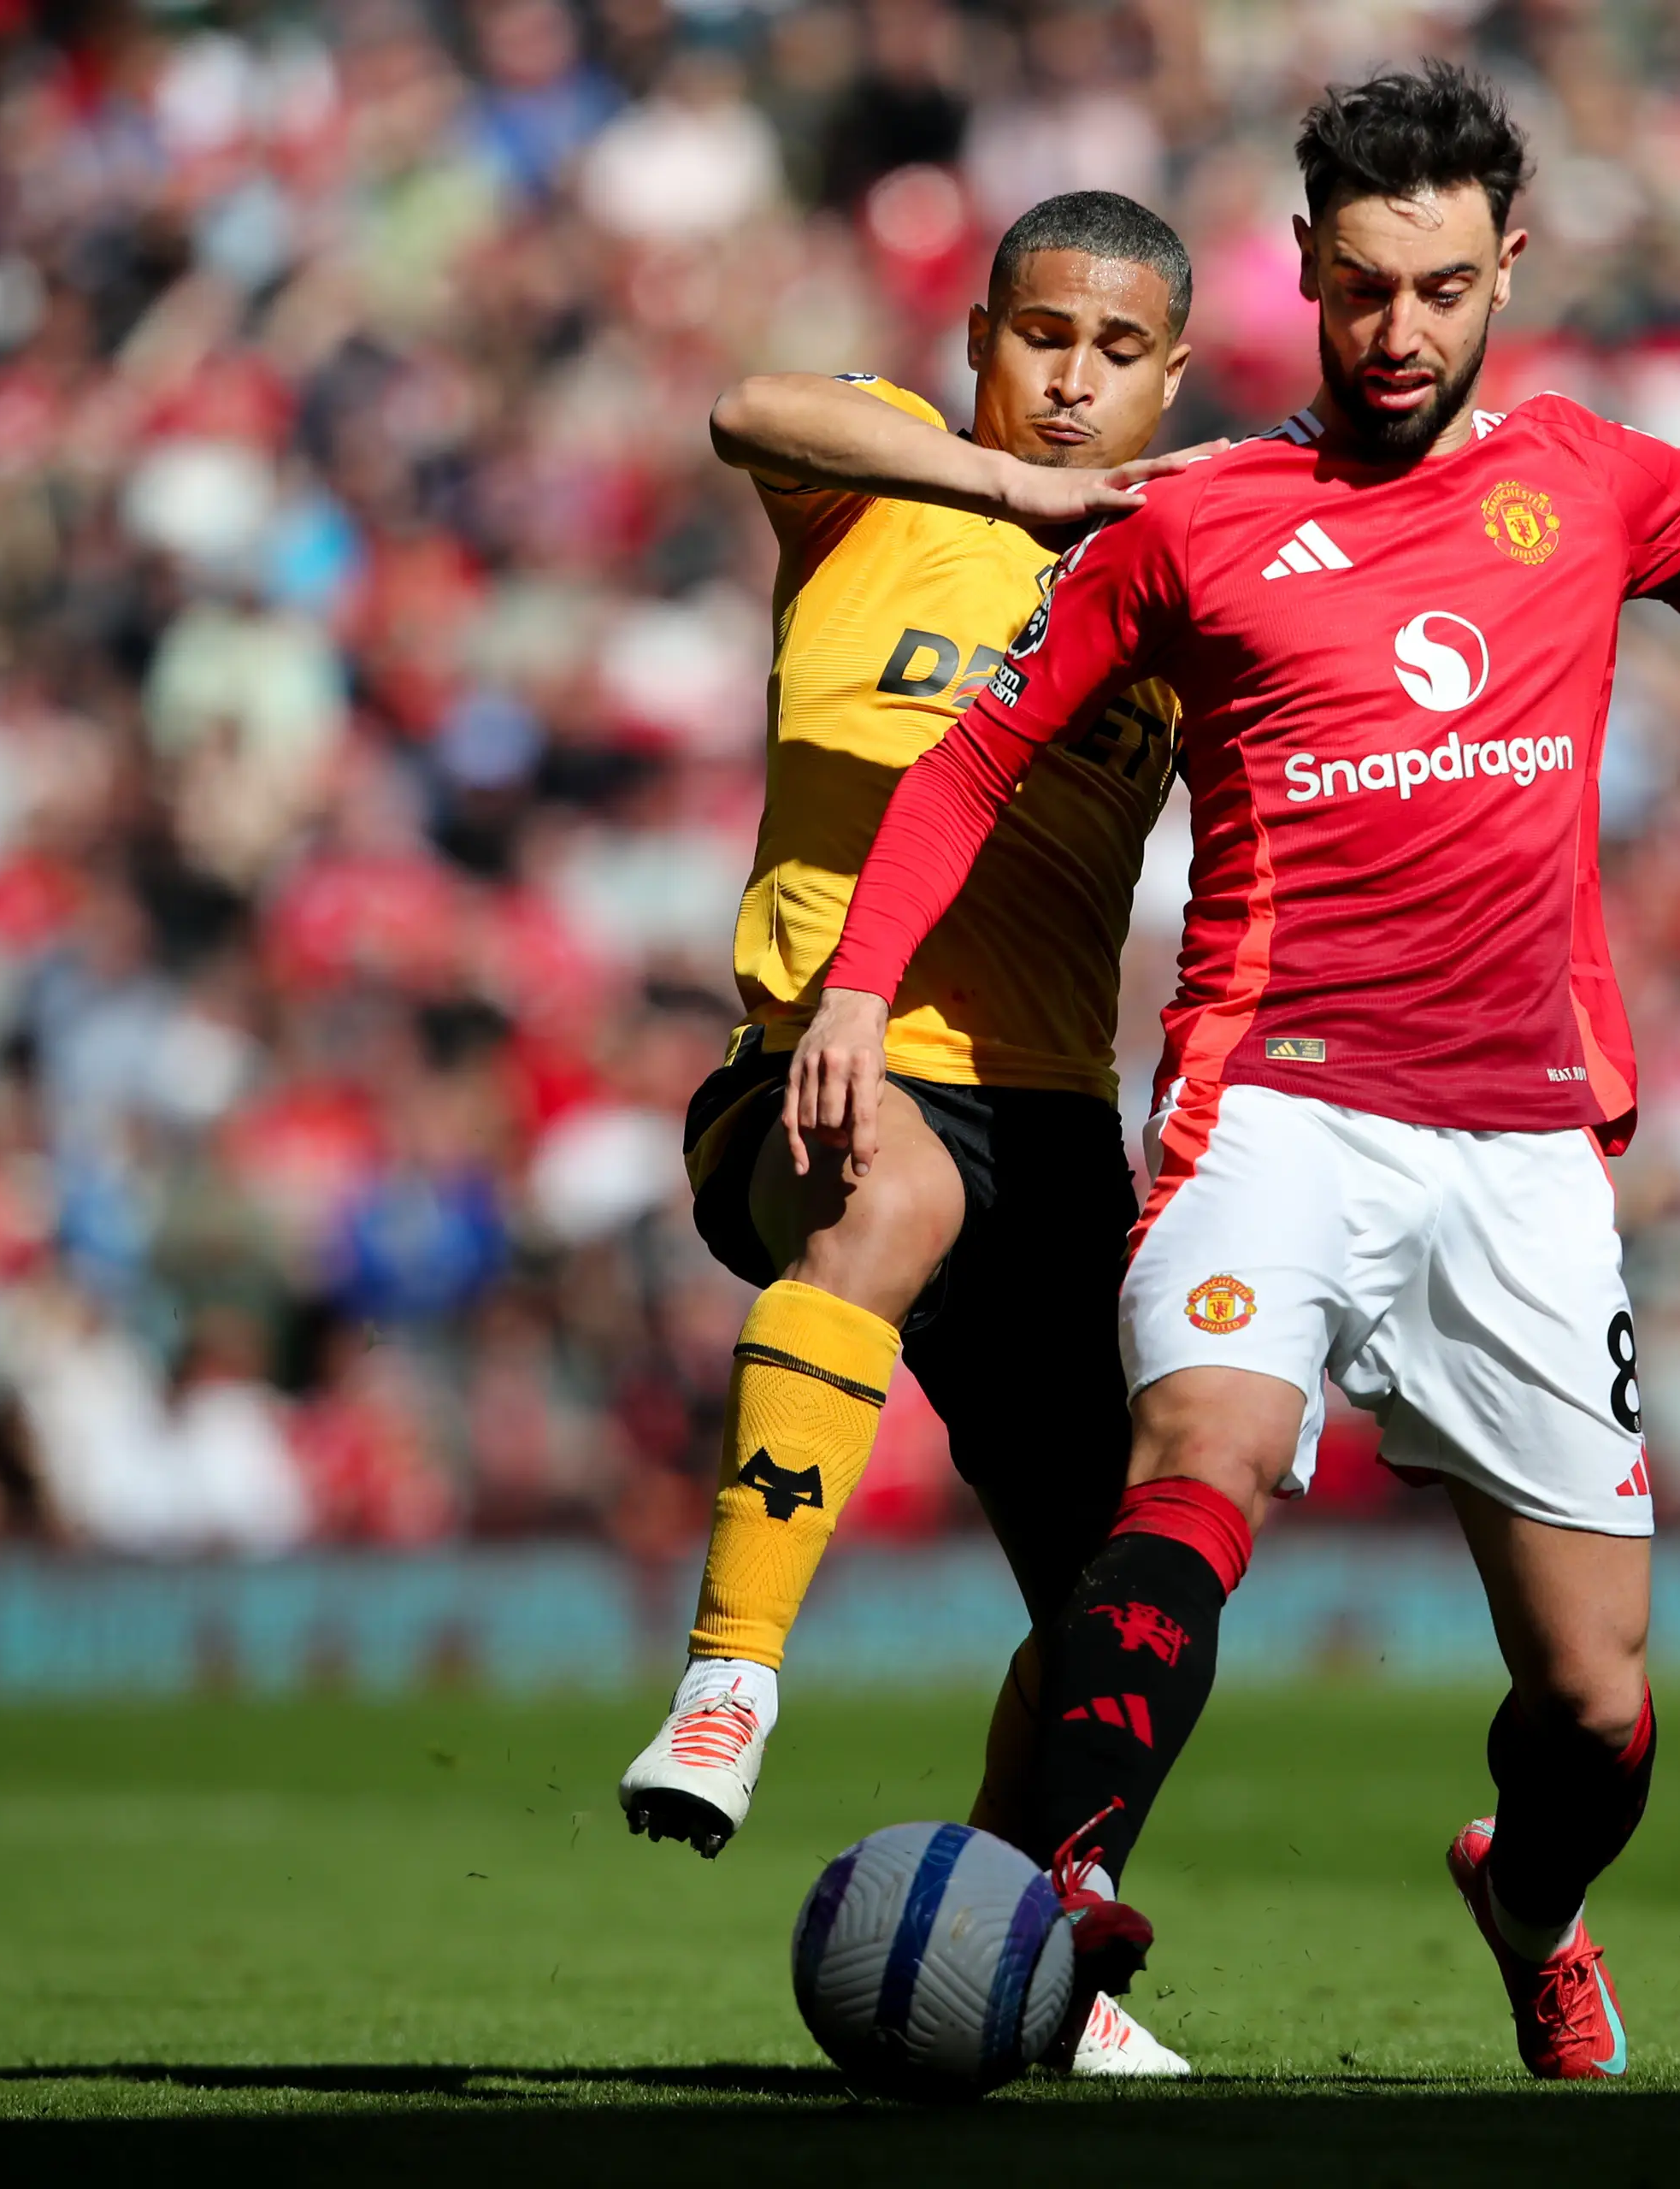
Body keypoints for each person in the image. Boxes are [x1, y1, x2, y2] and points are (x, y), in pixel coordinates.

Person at [796, 64, 1680, 2080]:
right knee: (1193, 1456)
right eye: (1363, 288)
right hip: (1266, 1096)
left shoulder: (1597, 481)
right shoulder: (1196, 519)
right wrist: (859, 986)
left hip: (1523, 1145)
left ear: (1507, 271)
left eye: (1442, 289)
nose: (1396, 333)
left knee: (1592, 1703)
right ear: (1300, 266)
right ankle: (1069, 1887)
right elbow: (968, 761)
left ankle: (1531, 1897)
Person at [611, 189, 1220, 2079]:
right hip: (820, 1056)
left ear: (1174, 376)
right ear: (977, 339)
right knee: (887, 1181)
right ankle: (728, 1683)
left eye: (1122, 354)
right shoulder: (879, 479)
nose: (1074, 381)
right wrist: (994, 487)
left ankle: (1036, 1934)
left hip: (1052, 1119)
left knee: (1113, 1596)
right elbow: (746, 405)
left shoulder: (1182, 574)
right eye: (1044, 336)